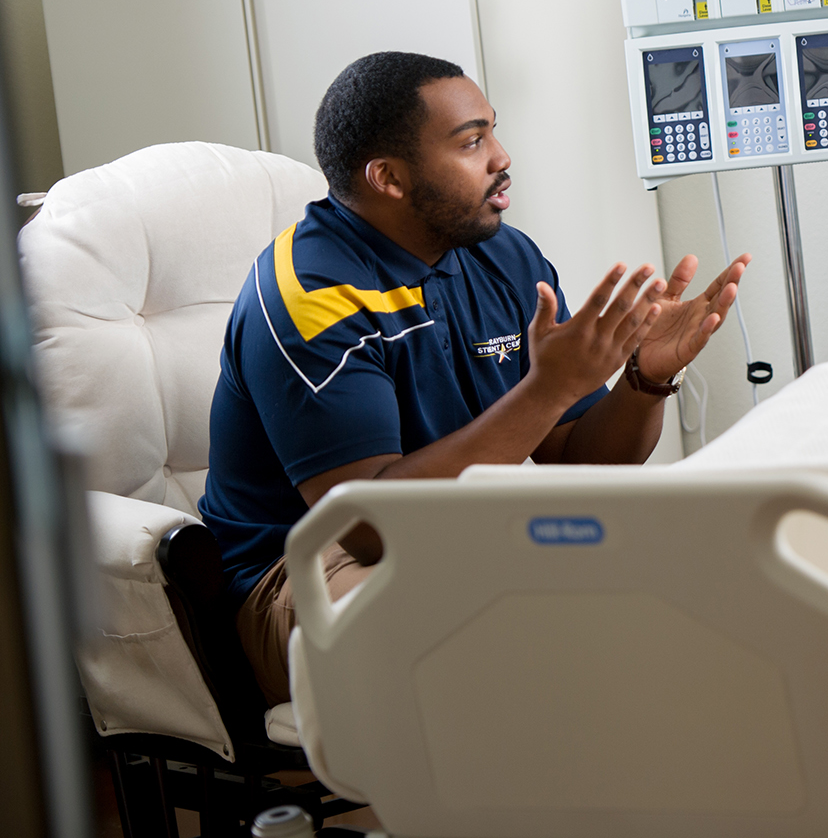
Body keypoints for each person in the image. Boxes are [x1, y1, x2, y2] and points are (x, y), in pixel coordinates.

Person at [199, 52, 750, 704]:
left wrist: (644, 378)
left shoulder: (503, 257)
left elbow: (576, 461)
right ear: (389, 178)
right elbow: (372, 527)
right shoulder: (312, 295)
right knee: (523, 648)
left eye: (492, 130)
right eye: (472, 141)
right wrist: (546, 390)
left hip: (457, 541)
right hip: (301, 575)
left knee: (690, 586)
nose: (502, 156)